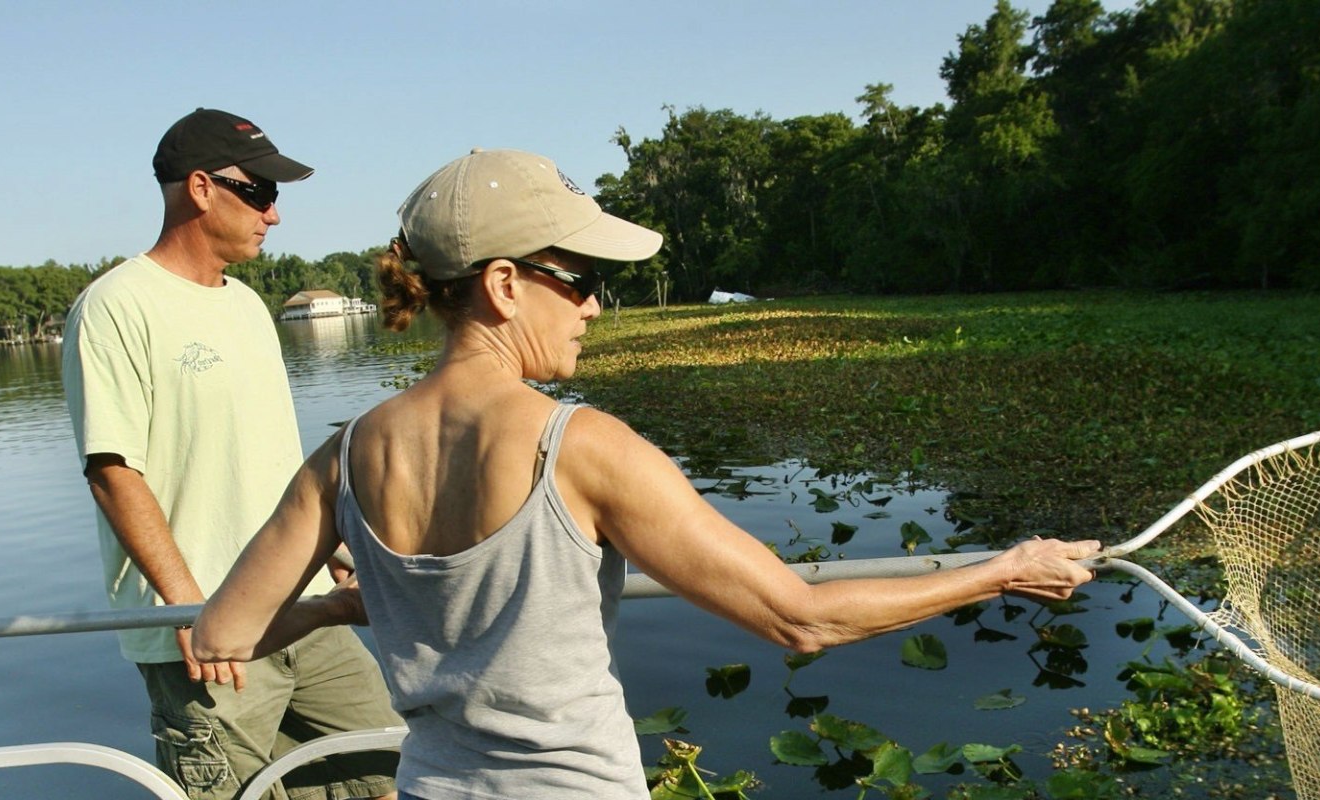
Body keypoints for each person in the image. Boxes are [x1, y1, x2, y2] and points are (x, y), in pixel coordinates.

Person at [192, 148, 1102, 800]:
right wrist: (1008, 569)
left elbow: (225, 634)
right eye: (581, 278)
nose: (596, 304)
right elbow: (800, 617)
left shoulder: (346, 453)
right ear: (504, 285)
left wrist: (354, 603)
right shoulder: (578, 446)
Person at [61, 107, 400, 800]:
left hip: (303, 603)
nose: (273, 215)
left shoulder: (247, 306)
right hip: (207, 631)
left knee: (393, 774)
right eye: (260, 192)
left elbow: (270, 459)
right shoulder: (116, 307)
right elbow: (113, 472)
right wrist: (188, 605)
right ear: (200, 188)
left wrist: (329, 548)